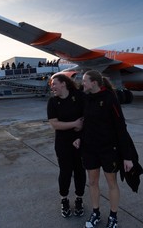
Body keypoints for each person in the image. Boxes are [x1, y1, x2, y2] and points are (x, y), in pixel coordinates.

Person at [80, 70, 134, 228]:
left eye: (85, 81)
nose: (82, 83)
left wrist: (127, 156)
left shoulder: (110, 98)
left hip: (108, 149)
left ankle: (113, 216)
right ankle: (95, 212)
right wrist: (80, 139)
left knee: (111, 183)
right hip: (90, 148)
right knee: (92, 181)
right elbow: (87, 123)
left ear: (94, 83)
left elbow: (120, 126)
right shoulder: (86, 98)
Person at [47, 74, 87, 218]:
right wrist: (75, 124)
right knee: (65, 172)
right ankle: (64, 199)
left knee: (80, 171)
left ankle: (79, 199)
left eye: (54, 84)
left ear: (63, 83)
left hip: (79, 141)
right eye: (51, 85)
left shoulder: (79, 96)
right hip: (63, 142)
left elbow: (86, 117)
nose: (52, 87)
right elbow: (54, 124)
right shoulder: (52, 101)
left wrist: (80, 132)